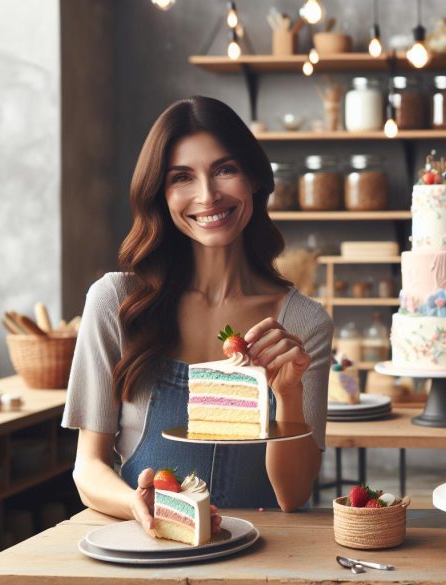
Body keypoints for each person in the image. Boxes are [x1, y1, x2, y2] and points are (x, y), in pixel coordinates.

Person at [62, 96, 333, 536]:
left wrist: (287, 392)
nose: (208, 195)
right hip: (151, 550)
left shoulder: (304, 323)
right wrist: (136, 504)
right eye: (182, 177)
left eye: (225, 169)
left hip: (265, 558)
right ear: (160, 194)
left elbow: (295, 494)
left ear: (254, 179)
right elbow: (88, 468)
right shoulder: (116, 302)